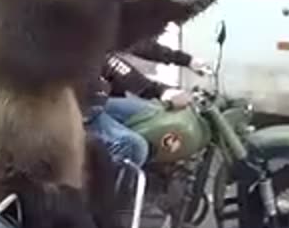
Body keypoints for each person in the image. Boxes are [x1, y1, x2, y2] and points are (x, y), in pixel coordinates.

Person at [83, 38, 212, 167]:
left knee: (152, 112)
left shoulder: (93, 35)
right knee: (135, 146)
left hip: (96, 102)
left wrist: (186, 61)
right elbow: (112, 63)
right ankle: (100, 183)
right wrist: (159, 90)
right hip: (78, 111)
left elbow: (113, 62)